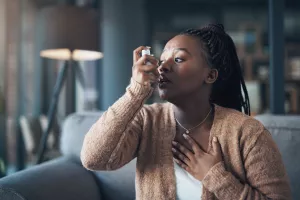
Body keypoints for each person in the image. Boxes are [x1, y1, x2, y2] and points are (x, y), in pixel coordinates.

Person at [81, 24, 291, 200]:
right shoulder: (147, 121)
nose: (163, 68)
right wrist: (136, 92)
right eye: (162, 61)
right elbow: (93, 158)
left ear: (210, 75)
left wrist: (216, 177)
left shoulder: (247, 132)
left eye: (179, 59)